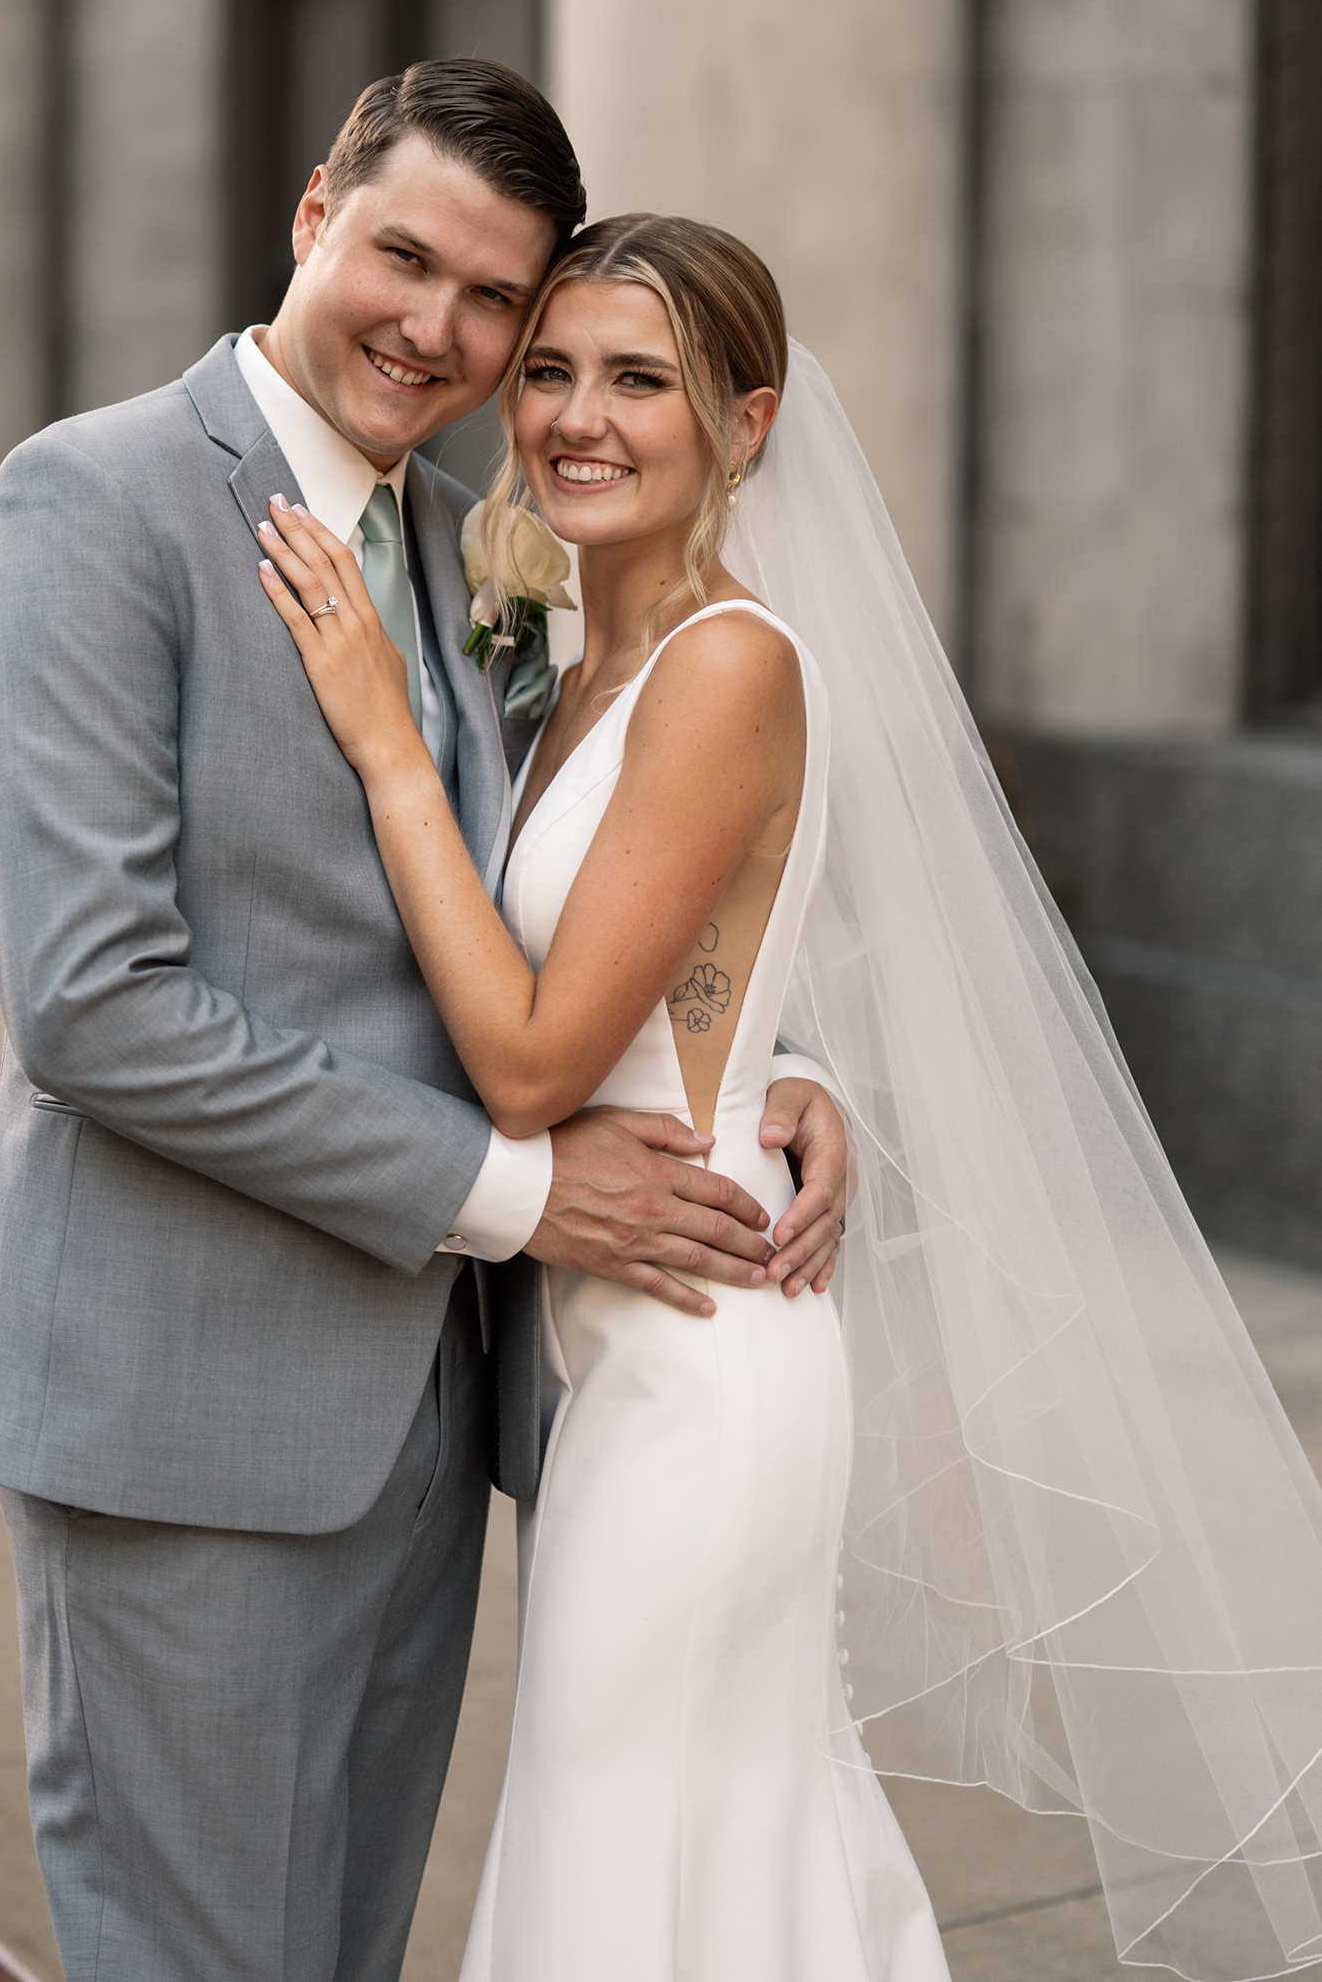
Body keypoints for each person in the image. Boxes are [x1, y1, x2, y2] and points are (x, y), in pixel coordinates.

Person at [261, 211, 1322, 1982]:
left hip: (702, 1365)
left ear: (746, 428)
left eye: (640, 381)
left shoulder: (728, 665)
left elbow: (527, 1061)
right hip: (624, 1347)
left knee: (625, 1868)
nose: (577, 418)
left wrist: (386, 746)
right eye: (549, 372)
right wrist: (786, 1069)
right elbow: (694, 966)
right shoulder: (577, 652)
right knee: (730, 1859)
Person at [0, 62, 852, 1982]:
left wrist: (775, 1065)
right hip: (186, 1417)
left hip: (423, 1428)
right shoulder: (93, 500)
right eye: (405, 255)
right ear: (309, 216)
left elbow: (575, 901)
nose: (437, 327)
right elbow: (94, 1006)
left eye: (493, 299)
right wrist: (514, 1192)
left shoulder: (457, 550)